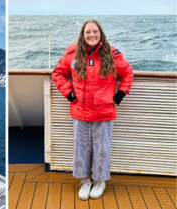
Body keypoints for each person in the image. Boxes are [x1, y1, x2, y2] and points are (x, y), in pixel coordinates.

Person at [52, 19, 134, 200]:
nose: (91, 35)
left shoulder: (112, 54)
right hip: (79, 110)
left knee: (102, 148)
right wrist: (68, 93)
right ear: (83, 35)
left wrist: (121, 93)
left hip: (104, 111)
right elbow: (57, 73)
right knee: (81, 148)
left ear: (100, 33)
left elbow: (127, 73)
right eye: (88, 32)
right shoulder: (72, 54)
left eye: (94, 31)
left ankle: (100, 180)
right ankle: (86, 179)